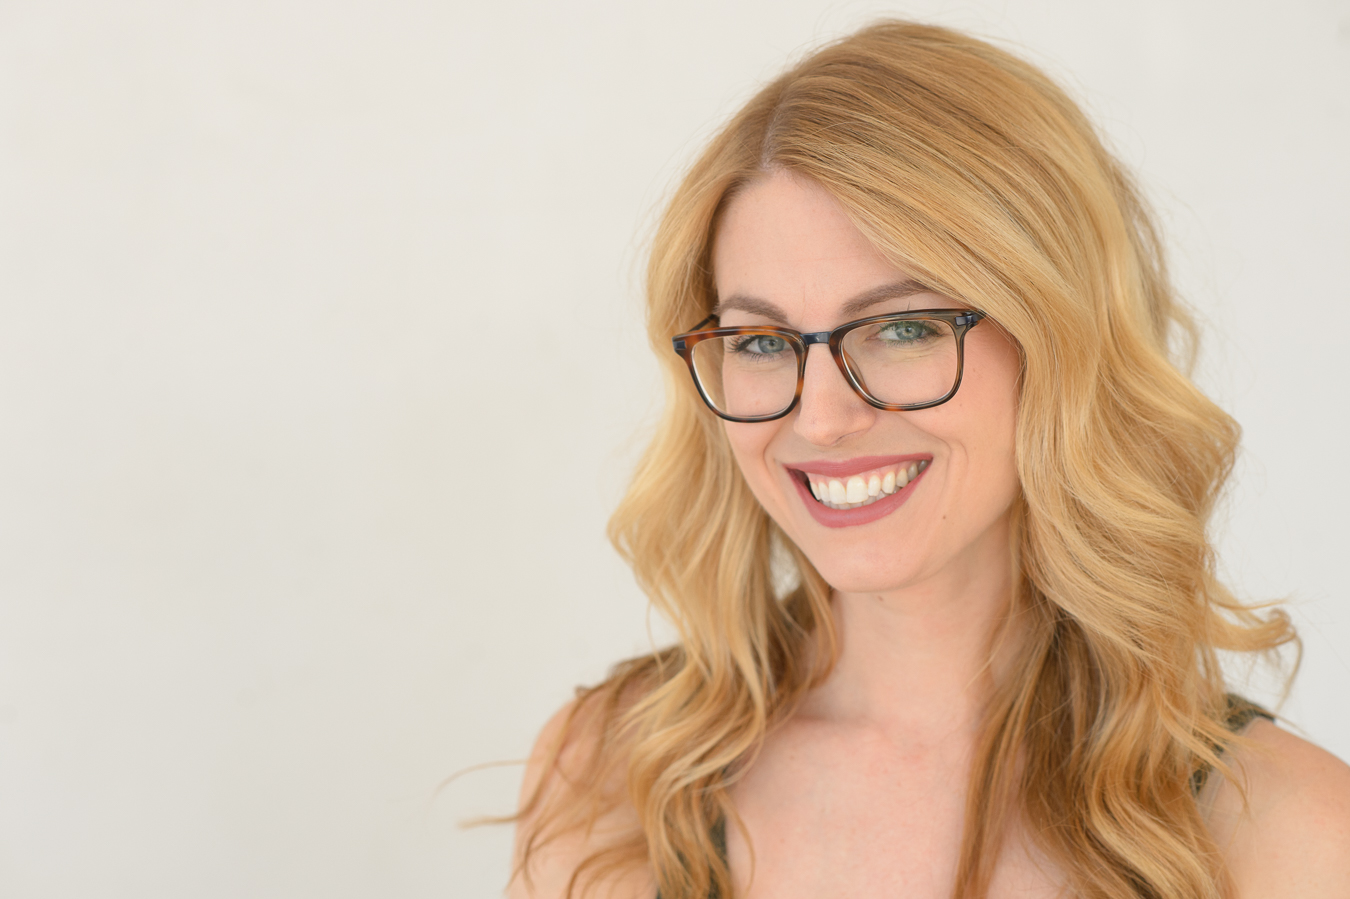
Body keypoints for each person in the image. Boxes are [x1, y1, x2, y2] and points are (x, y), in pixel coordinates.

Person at [508, 20, 1350, 899]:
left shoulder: (1289, 833)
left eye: (903, 327)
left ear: (1056, 341)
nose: (820, 417)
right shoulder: (610, 777)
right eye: (758, 341)